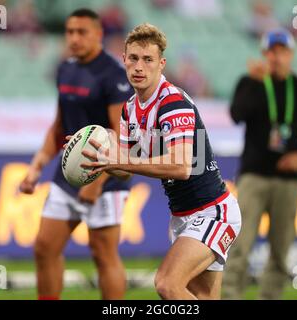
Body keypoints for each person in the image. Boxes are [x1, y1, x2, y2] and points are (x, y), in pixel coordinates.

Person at [78, 23, 241, 300]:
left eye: (148, 60)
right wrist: (102, 158)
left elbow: (180, 166)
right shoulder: (130, 109)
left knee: (167, 283)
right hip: (182, 216)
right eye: (133, 58)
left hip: (213, 212)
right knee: (201, 297)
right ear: (124, 60)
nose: (139, 67)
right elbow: (126, 170)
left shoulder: (172, 102)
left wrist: (120, 158)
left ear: (161, 64)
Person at [19, 8, 133, 300]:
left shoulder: (114, 75)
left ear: (98, 34)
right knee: (44, 247)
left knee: (103, 255)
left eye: (82, 32)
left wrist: (97, 183)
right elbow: (59, 127)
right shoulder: (65, 68)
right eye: (69, 32)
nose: (74, 38)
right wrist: (36, 166)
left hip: (107, 178)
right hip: (67, 174)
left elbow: (121, 138)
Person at [223, 29, 297, 300]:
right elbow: (236, 115)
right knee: (241, 243)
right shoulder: (250, 82)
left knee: (281, 247)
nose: (276, 57)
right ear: (264, 54)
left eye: (282, 52)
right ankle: (231, 296)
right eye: (271, 51)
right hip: (254, 176)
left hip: (289, 180)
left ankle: (270, 296)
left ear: (290, 55)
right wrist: (254, 83)